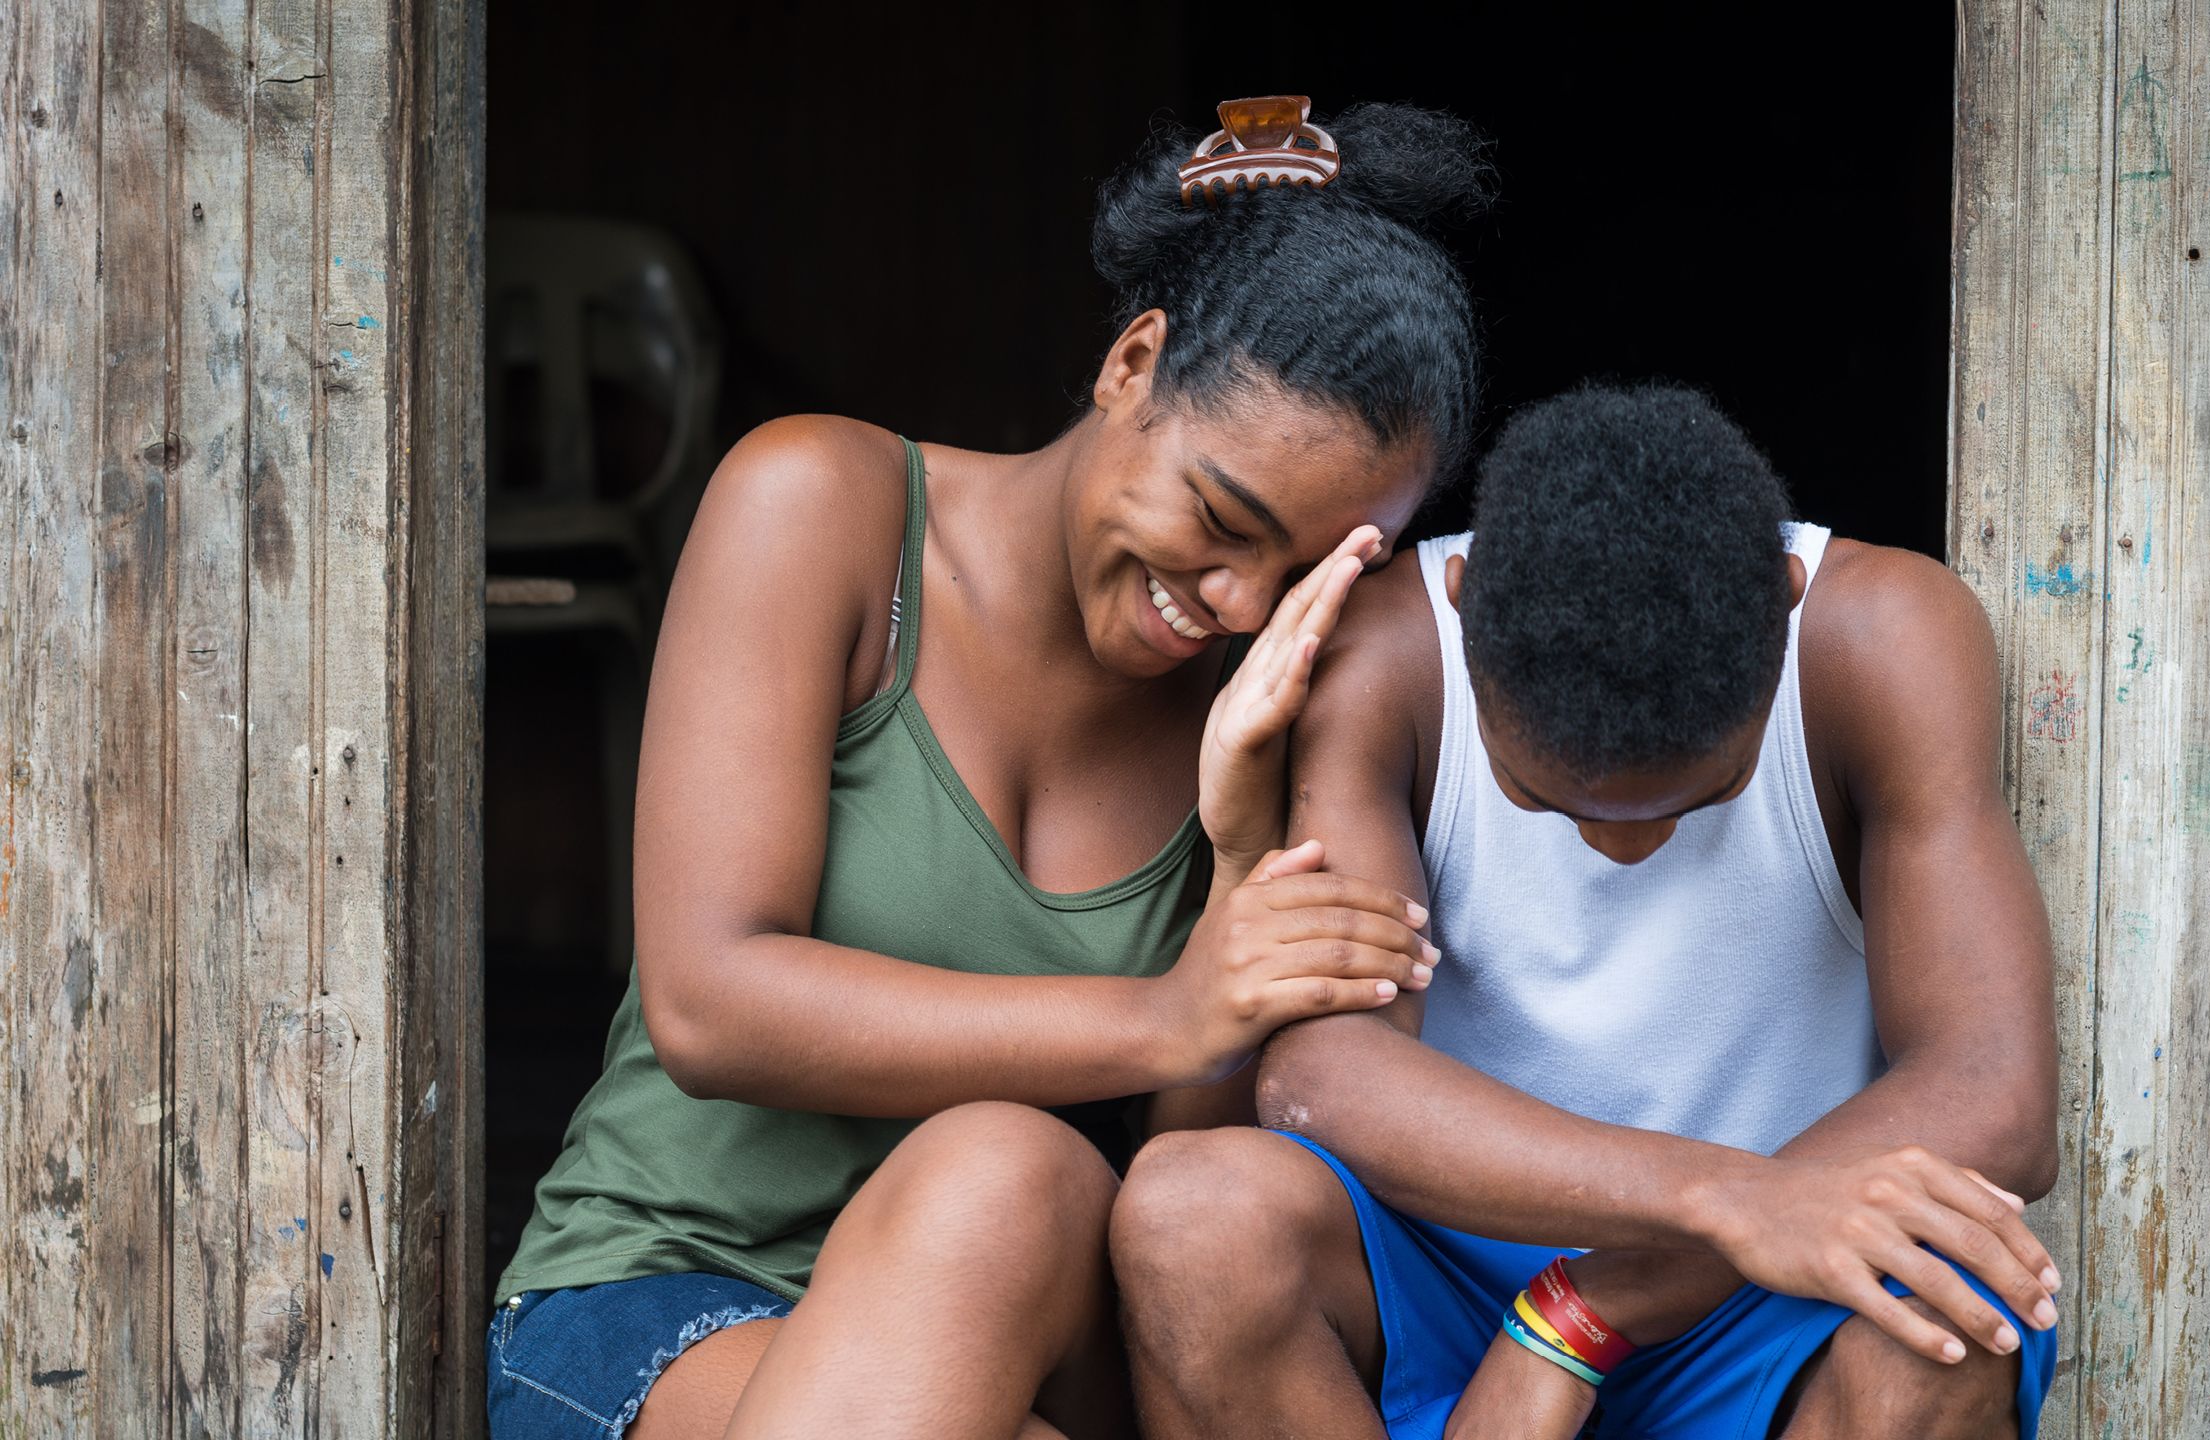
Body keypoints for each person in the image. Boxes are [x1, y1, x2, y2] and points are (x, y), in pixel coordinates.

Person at [486, 97, 1493, 1440]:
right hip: (668, 1307)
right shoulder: (825, 509)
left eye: (1301, 571)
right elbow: (710, 1004)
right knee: (999, 1161)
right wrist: (1165, 1015)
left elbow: (1172, 1202)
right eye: (1220, 519)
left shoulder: (1264, 706)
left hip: (1025, 1326)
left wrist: (1241, 854)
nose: (1240, 602)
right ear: (1134, 364)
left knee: (1020, 1176)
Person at [1113, 383, 2066, 1439]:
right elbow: (1328, 1073)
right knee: (1191, 1214)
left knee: (1948, 1322)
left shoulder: (1881, 638)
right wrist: (1714, 1200)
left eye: (1697, 796)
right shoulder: (1389, 652)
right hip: (1459, 1264)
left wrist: (1588, 1308)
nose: (1627, 843)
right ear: (1463, 604)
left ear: (1785, 601)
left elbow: (1994, 1095)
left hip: (1762, 1286)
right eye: (1544, 798)